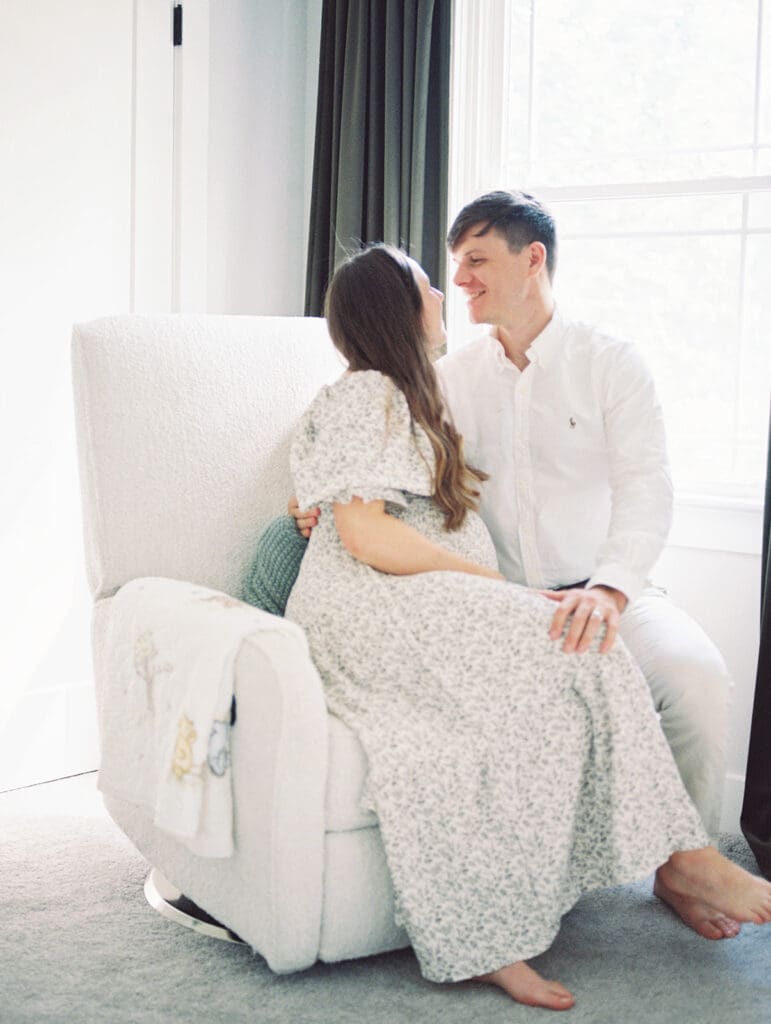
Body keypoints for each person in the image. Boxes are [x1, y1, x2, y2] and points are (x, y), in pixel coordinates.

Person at [284, 243, 771, 1011]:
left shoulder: (413, 389)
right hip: (375, 604)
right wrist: (494, 588)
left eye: (465, 267)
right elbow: (364, 533)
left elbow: (344, 494)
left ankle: (550, 904)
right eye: (428, 284)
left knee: (572, 665)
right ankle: (684, 857)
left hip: (416, 597)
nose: (444, 293)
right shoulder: (369, 392)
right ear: (395, 309)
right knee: (580, 643)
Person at [293, 190, 732, 841]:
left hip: (608, 588)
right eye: (453, 264)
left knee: (697, 681)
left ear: (532, 259)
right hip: (502, 602)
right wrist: (312, 501)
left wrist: (610, 591)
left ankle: (688, 861)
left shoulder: (610, 362)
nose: (459, 280)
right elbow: (363, 447)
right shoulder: (443, 380)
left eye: (476, 260)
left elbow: (647, 488)